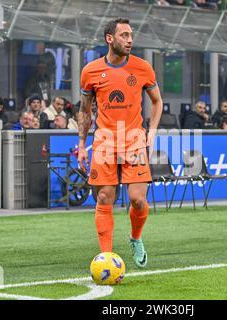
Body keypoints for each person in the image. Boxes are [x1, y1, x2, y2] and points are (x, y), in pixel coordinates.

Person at [77, 18, 163, 268]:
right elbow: (85, 111)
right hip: (104, 140)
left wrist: (152, 130)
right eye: (124, 35)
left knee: (137, 199)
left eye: (131, 35)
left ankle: (136, 238)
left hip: (133, 139)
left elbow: (157, 101)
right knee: (104, 197)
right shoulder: (90, 71)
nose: (130, 40)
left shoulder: (143, 67)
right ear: (109, 39)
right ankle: (106, 257)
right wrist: (82, 144)